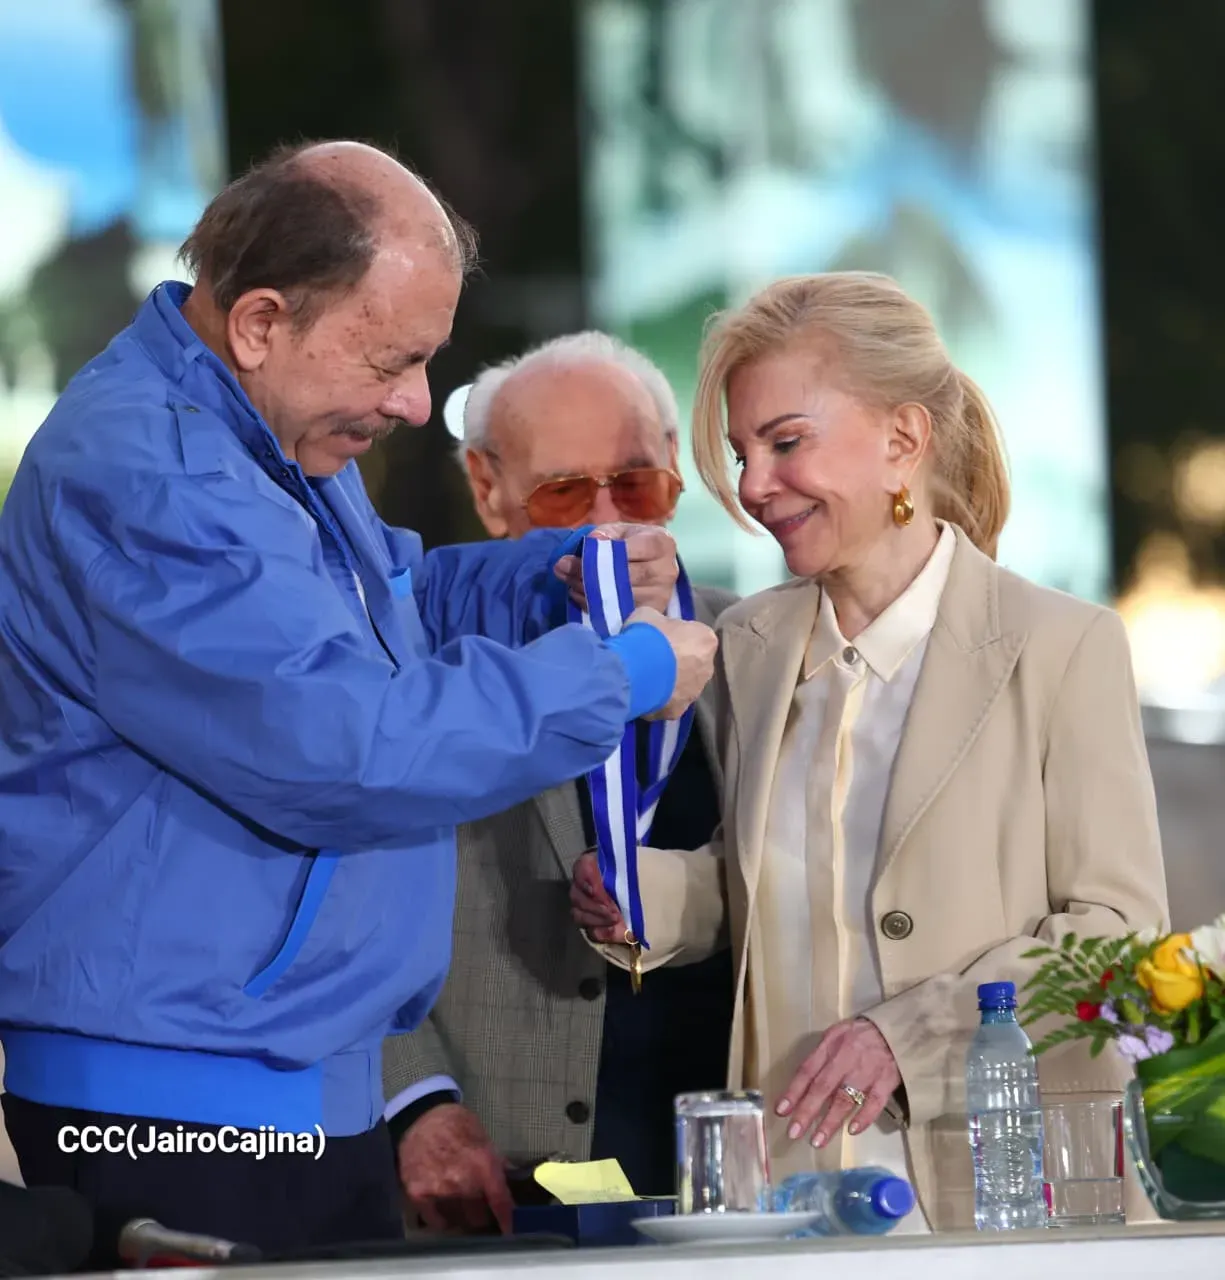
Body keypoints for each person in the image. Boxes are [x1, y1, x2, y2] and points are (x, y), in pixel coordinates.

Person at [0, 140, 718, 1265]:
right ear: (260, 323)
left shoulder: (257, 434)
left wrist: (550, 579)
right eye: (395, 360)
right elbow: (346, 745)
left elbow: (389, 607)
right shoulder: (154, 473)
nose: (416, 403)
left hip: (277, 1076)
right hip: (182, 1101)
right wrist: (620, 673)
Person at [572, 271, 1171, 1231]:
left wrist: (909, 1038)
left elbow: (1116, 938)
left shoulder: (1063, 645)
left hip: (999, 1188)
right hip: (788, 1183)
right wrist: (644, 896)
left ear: (903, 439)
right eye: (742, 453)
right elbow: (763, 881)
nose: (753, 486)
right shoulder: (751, 646)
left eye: (785, 443)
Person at [382, 332, 737, 1233]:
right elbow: (334, 899)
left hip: (727, 1179)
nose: (606, 524)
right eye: (566, 494)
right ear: (486, 488)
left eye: (635, 483)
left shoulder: (757, 655)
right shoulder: (412, 667)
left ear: (675, 471)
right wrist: (415, 1104)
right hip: (495, 1179)